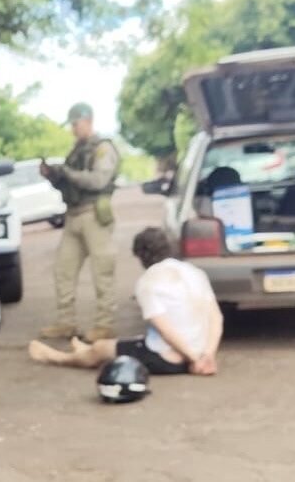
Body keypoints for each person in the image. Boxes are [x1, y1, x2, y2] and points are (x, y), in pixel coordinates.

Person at [28, 227, 224, 376]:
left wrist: (194, 359)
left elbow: (165, 330)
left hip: (170, 358)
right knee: (128, 343)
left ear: (141, 256)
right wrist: (208, 355)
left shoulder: (148, 283)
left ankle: (59, 357)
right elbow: (216, 317)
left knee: (101, 349)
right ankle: (84, 350)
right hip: (200, 349)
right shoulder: (194, 272)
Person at [39, 102, 120, 341]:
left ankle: (104, 325)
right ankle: (66, 322)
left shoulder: (103, 148)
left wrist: (68, 173)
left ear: (88, 121)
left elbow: (98, 181)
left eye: (76, 124)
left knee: (102, 270)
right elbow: (70, 184)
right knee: (63, 270)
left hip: (94, 214)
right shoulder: (77, 151)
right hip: (73, 215)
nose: (74, 129)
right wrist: (54, 176)